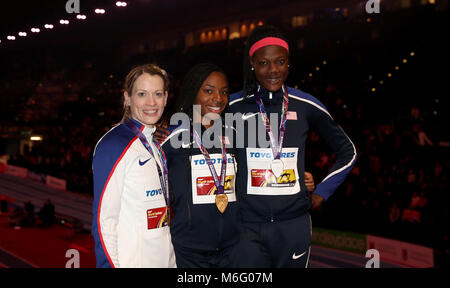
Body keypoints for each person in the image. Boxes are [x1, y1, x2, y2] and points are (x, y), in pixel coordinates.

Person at [228, 25, 357, 268]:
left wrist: (321, 193)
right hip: (245, 226)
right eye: (264, 63)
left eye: (280, 62)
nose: (273, 70)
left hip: (293, 227)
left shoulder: (306, 105)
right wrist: (161, 131)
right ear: (252, 64)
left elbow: (348, 152)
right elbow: (191, 134)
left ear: (289, 63)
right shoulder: (232, 106)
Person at [92, 64, 176, 268]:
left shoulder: (154, 143)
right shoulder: (114, 145)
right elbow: (105, 222)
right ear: (127, 98)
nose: (151, 103)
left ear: (165, 97)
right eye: (142, 94)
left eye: (157, 94)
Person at [160, 63, 239, 267]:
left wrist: (304, 179)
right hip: (188, 251)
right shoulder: (169, 137)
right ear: (193, 91)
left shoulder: (235, 135)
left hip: (232, 250)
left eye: (224, 92)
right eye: (208, 91)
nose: (218, 98)